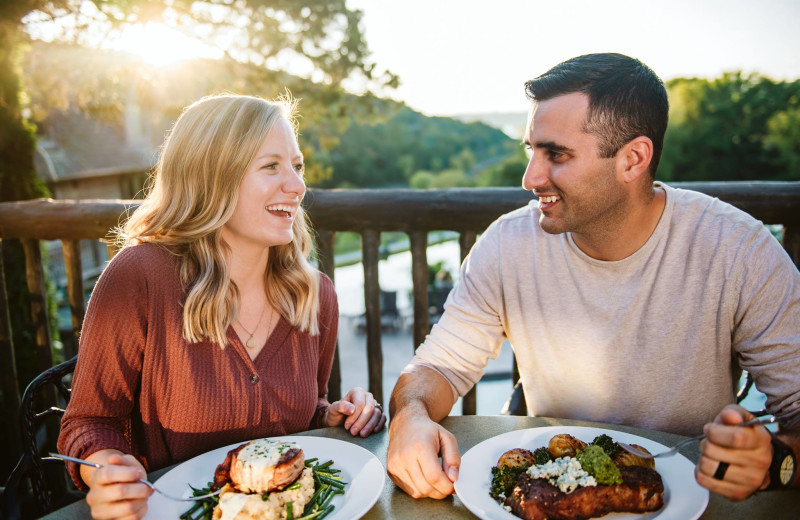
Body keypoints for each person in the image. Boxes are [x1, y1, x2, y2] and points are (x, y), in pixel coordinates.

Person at [387, 53, 800, 503]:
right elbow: (438, 367)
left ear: (633, 159)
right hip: (548, 495)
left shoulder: (740, 251)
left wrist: (776, 462)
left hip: (696, 503)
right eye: (532, 150)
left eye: (556, 155)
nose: (530, 178)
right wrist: (411, 414)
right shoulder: (506, 245)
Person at [58, 94, 386, 519]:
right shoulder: (138, 277)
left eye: (297, 166)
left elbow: (303, 414)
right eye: (271, 166)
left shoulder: (315, 295)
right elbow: (88, 423)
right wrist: (105, 471)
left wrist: (335, 416)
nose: (297, 185)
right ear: (211, 176)